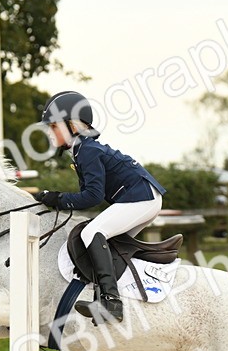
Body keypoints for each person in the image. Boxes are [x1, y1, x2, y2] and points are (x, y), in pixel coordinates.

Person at [32, 90, 166, 323]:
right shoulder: (82, 150)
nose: (50, 133)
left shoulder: (88, 151)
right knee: (106, 244)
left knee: (92, 232)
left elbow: (93, 197)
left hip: (142, 197)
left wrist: (57, 199)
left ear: (71, 126)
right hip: (140, 197)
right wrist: (58, 199)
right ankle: (114, 297)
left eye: (53, 126)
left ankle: (111, 303)